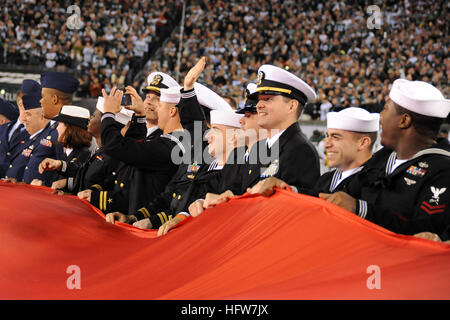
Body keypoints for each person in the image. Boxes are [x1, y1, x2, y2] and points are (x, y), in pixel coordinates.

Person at [319, 79, 450, 240]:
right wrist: (290, 189)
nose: (380, 116)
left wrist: (360, 209)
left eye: (386, 108)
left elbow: (425, 231)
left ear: (404, 121)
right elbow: (339, 195)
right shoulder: (383, 157)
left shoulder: (443, 170)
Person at [246, 107, 379, 197]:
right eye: (328, 136)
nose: (326, 143)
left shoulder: (377, 183)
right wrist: (284, 188)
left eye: (336, 137)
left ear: (363, 143)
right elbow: (313, 199)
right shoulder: (326, 179)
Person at [4, 90, 59, 186]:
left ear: (42, 116)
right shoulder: (31, 138)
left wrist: (46, 184)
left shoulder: (52, 135)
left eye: (28, 114)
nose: (24, 119)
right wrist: (19, 182)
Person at [38, 105, 92, 191]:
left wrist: (60, 164)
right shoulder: (67, 152)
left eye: (60, 124)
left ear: (70, 129)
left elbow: (77, 172)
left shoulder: (84, 153)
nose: (57, 127)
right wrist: (42, 184)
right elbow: (57, 183)